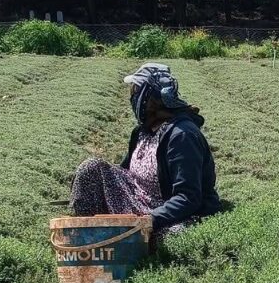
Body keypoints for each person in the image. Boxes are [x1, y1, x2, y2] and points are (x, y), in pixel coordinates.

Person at [69, 63, 221, 239]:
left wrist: (149, 221)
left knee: (169, 237)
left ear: (151, 99)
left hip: (167, 212)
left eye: (135, 91)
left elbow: (188, 197)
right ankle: (84, 235)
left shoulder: (182, 136)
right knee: (91, 168)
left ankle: (121, 240)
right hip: (136, 203)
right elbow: (124, 173)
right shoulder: (142, 131)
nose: (132, 96)